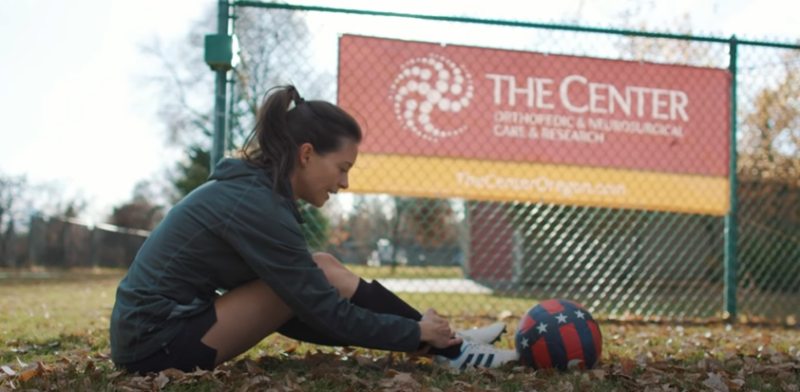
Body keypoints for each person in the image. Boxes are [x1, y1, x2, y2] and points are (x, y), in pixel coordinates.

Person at [108, 85, 519, 375]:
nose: (345, 184)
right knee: (316, 275)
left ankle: (451, 344)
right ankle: (450, 347)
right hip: (153, 346)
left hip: (159, 334)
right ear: (306, 154)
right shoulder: (256, 205)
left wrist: (416, 335)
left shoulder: (256, 193)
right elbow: (321, 310)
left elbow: (297, 310)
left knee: (319, 265)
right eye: (342, 168)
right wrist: (411, 334)